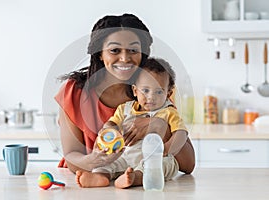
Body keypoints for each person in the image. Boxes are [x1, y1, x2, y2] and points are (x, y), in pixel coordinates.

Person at [55, 13, 195, 176]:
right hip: (88, 182)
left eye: (133, 50)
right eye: (114, 50)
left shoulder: (152, 89)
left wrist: (158, 126)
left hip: (137, 183)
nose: (124, 58)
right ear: (100, 53)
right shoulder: (74, 91)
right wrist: (93, 160)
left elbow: (188, 164)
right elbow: (72, 157)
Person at [75, 57, 186, 188]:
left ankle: (134, 178)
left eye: (159, 92)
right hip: (125, 156)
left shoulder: (168, 112)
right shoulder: (124, 109)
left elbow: (181, 133)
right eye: (145, 91)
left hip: (152, 158)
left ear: (168, 94)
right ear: (135, 90)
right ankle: (100, 176)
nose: (151, 97)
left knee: (163, 164)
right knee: (106, 163)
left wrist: (166, 150)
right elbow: (110, 124)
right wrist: (109, 131)